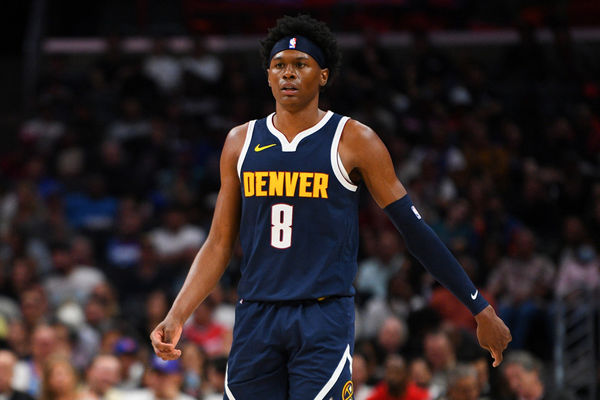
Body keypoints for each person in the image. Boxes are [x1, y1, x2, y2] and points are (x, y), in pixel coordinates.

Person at [150, 15, 511, 400]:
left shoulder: (354, 140)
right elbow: (219, 244)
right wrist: (177, 314)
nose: (288, 74)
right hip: (255, 314)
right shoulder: (240, 142)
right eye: (279, 66)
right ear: (268, 76)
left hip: (321, 317)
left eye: (300, 65)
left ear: (323, 76)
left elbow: (414, 230)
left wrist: (480, 307)